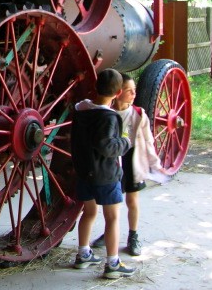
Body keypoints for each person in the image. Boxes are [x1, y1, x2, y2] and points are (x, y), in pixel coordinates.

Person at [92, 73, 169, 256]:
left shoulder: (138, 115)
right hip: (112, 160)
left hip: (131, 159)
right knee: (113, 201)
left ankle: (133, 236)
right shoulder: (106, 112)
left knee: (132, 200)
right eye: (129, 90)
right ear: (118, 92)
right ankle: (109, 232)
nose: (134, 94)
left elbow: (148, 142)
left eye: (134, 90)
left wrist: (156, 164)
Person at [71, 68, 135, 279]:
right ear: (118, 94)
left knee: (88, 213)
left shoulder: (81, 110)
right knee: (112, 217)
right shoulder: (108, 117)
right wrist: (125, 142)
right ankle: (113, 263)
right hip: (105, 175)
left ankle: (83, 254)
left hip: (83, 171)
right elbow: (106, 146)